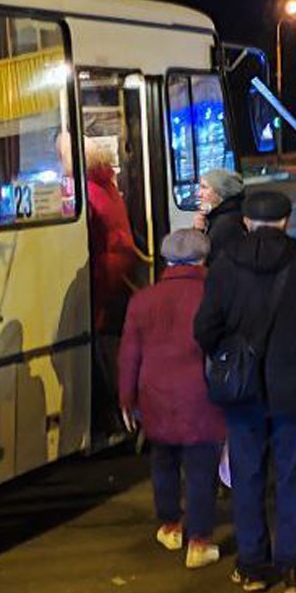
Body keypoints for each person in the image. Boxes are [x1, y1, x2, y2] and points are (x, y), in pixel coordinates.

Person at [194, 190, 296, 593]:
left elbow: (204, 329)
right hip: (294, 389)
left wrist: (228, 355)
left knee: (246, 476)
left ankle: (253, 566)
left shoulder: (225, 268)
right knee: (294, 476)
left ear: (246, 223)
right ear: (288, 221)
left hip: (243, 393)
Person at [119, 228, 225, 569]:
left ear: (166, 260)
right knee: (200, 467)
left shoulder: (142, 300)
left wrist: (126, 397)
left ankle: (170, 524)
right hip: (201, 394)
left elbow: (129, 355)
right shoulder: (213, 296)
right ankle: (199, 541)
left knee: (163, 461)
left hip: (155, 394)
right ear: (202, 258)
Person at [86, 142, 140, 437]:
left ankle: (118, 415)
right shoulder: (107, 186)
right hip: (118, 275)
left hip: (104, 279)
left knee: (104, 347)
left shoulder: (89, 193)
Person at [193, 168, 246, 262]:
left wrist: (198, 232)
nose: (198, 194)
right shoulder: (221, 216)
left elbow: (202, 260)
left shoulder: (225, 224)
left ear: (221, 192)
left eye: (204, 187)